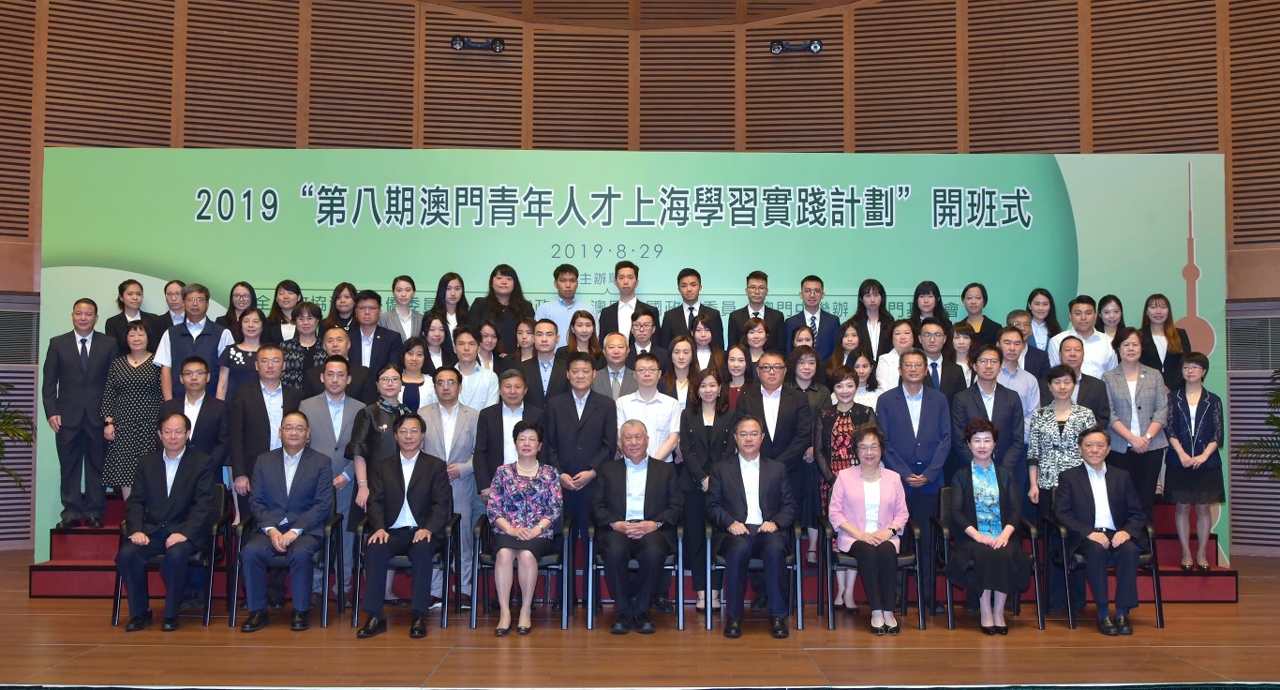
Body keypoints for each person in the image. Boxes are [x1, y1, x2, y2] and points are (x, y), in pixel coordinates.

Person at [115, 413, 215, 632]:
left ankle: (171, 613)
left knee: (176, 555)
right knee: (127, 554)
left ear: (187, 434)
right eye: (168, 432)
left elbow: (203, 504)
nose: (173, 437)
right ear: (159, 434)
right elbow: (135, 501)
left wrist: (184, 533)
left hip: (185, 532)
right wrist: (136, 530)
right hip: (152, 531)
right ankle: (140, 612)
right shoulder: (146, 462)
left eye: (178, 432)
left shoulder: (202, 462)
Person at [355, 414, 452, 639]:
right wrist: (378, 527)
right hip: (391, 531)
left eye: (414, 431)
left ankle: (419, 615)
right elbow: (375, 502)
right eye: (403, 431)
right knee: (375, 548)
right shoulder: (382, 466)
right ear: (395, 435)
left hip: (421, 531)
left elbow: (441, 504)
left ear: (422, 435)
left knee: (422, 549)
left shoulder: (435, 466)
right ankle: (375, 616)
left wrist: (428, 528)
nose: (409, 436)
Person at [239, 410, 334, 633]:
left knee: (300, 552)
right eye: (289, 428)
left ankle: (300, 611)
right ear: (280, 432)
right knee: (251, 551)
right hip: (270, 528)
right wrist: (271, 530)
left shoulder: (321, 462)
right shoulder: (264, 461)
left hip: (306, 530)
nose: (293, 432)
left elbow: (322, 504)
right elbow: (256, 501)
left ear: (308, 434)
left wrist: (295, 530)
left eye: (299, 428)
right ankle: (257, 611)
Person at [1053, 427, 1149, 636]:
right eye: (1088, 445)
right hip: (1087, 536)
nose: (1094, 450)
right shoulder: (1069, 477)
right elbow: (1061, 513)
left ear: (1108, 450)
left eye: (1099, 445)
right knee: (1096, 551)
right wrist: (1089, 533)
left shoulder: (1122, 476)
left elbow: (1137, 513)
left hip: (1117, 533)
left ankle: (1122, 613)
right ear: (1080, 449)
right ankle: (1103, 613)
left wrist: (1127, 532)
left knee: (1129, 550)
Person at [708, 415, 796, 639]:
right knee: (738, 551)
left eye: (754, 434)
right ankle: (734, 617)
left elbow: (789, 505)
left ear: (762, 437)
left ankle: (778, 617)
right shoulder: (720, 469)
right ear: (735, 438)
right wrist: (730, 523)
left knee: (775, 550)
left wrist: (776, 523)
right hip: (736, 532)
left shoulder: (777, 469)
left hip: (768, 530)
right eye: (744, 434)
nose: (749, 439)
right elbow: (712, 506)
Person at [876, 348, 950, 613]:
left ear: (925, 369)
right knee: (896, 539)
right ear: (900, 369)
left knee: (927, 541)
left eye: (919, 364)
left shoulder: (939, 399)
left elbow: (946, 439)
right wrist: (903, 472)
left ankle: (927, 595)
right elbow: (883, 440)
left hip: (930, 482)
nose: (914, 369)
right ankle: (896, 595)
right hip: (897, 481)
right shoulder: (886, 400)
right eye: (908, 364)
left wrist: (929, 473)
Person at [594, 419, 683, 635]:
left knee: (653, 553)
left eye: (638, 437)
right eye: (628, 438)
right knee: (614, 552)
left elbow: (677, 506)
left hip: (653, 529)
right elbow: (596, 505)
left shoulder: (665, 470)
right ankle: (624, 612)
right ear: (620, 443)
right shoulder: (607, 470)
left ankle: (642, 611)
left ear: (647, 440)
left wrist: (655, 523)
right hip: (618, 529)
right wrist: (616, 524)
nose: (633, 442)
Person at [948, 419, 1031, 635]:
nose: (982, 445)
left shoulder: (1006, 473)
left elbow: (1016, 509)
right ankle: (985, 610)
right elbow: (956, 512)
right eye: (977, 441)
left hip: (1003, 535)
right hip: (973, 538)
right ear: (969, 444)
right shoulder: (961, 476)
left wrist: (1005, 535)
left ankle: (999, 611)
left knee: (1005, 552)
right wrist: (979, 536)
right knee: (985, 554)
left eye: (987, 440)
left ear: (995, 444)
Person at [43, 297, 119, 528]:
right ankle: (71, 513)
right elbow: (49, 382)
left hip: (99, 416)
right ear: (72, 316)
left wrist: (110, 416)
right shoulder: (57, 343)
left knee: (97, 466)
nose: (83, 318)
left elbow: (113, 382)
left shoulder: (109, 344)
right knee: (69, 467)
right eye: (79, 313)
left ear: (96, 318)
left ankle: (95, 512)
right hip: (66, 417)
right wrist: (51, 411)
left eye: (88, 314)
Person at [1027, 364, 1096, 613]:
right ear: (1049, 386)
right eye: (1057, 382)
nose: (1062, 387)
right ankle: (1053, 600)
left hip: (1078, 486)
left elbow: (1093, 451)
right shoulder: (1039, 415)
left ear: (1074, 385)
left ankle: (1076, 601)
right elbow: (1033, 453)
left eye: (1067, 382)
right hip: (1047, 485)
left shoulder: (1086, 415)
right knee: (1052, 541)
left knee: (1076, 539)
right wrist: (1033, 484)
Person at [827, 423, 908, 634]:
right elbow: (835, 513)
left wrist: (888, 532)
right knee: (868, 552)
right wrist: (860, 535)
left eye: (873, 447)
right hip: (854, 537)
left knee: (887, 552)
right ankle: (876, 611)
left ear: (881, 449)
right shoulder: (844, 476)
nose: (869, 452)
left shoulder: (893, 478)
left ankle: (889, 612)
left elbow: (902, 513)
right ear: (856, 450)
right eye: (863, 447)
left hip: (885, 536)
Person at [486, 421, 563, 636]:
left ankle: (525, 610)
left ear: (540, 445)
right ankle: (504, 613)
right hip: (507, 531)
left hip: (538, 533)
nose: (527, 443)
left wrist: (536, 529)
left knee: (527, 555)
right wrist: (511, 529)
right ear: (515, 443)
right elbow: (493, 507)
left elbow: (555, 507)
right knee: (504, 554)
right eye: (522, 439)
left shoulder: (550, 473)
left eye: (532, 439)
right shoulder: (503, 472)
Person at [346, 363, 415, 592]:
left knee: (392, 531)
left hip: (401, 485)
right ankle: (374, 591)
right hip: (373, 486)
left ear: (401, 384)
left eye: (394, 379)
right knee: (374, 534)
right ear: (377, 385)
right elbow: (358, 451)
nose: (390, 384)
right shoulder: (368, 413)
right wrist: (362, 485)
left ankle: (387, 590)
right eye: (385, 379)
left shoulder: (407, 413)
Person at [417, 366, 481, 608]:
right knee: (431, 534)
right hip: (430, 488)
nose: (445, 387)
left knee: (463, 537)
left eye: (451, 382)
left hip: (461, 484)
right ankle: (435, 590)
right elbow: (416, 449)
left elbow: (480, 451)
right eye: (440, 383)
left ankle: (463, 589)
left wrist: (464, 468)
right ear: (434, 387)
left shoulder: (473, 415)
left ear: (459, 387)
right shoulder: (422, 414)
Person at [814, 367, 877, 611]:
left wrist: (852, 481)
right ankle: (840, 589)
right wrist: (833, 480)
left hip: (860, 483)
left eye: (849, 385)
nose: (844, 390)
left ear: (856, 386)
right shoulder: (825, 414)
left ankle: (849, 592)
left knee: (855, 533)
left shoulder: (866, 412)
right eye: (839, 385)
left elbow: (871, 448)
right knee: (837, 535)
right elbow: (819, 450)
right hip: (830, 483)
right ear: (833, 388)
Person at [299, 355, 361, 598]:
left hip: (347, 481)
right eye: (330, 374)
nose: (335, 379)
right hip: (315, 483)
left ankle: (343, 587)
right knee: (314, 532)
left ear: (349, 379)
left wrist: (348, 473)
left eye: (340, 375)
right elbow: (301, 445)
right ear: (322, 377)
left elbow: (363, 448)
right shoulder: (307, 406)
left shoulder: (360, 408)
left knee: (346, 536)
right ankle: (315, 588)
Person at [680, 367, 737, 612]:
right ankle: (701, 592)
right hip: (692, 486)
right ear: (697, 390)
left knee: (718, 539)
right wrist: (702, 477)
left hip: (721, 486)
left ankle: (715, 592)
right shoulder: (687, 415)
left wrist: (713, 480)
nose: (708, 390)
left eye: (712, 385)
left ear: (720, 388)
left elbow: (730, 450)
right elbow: (686, 449)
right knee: (695, 539)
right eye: (703, 386)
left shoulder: (730, 415)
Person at [1164, 352, 1225, 571]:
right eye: (1186, 367)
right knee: (1181, 507)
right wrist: (1181, 454)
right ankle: (1186, 553)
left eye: (1195, 367)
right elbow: (1169, 428)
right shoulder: (1173, 398)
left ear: (1204, 371)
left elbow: (1218, 433)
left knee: (1203, 508)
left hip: (1206, 461)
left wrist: (1203, 456)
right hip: (1178, 459)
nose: (1190, 371)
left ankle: (1201, 553)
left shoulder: (1213, 400)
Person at [1101, 327, 1168, 523]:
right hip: (1120, 448)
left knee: (1146, 500)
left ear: (1141, 348)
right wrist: (1132, 438)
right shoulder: (1108, 377)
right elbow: (1109, 413)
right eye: (1126, 344)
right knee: (1121, 499)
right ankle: (1124, 540)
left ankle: (1145, 540)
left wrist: (1146, 438)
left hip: (1151, 447)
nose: (1131, 349)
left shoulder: (1154, 375)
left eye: (1135, 344)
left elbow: (1162, 409)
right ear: (1118, 348)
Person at [228, 343, 304, 516]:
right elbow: (235, 436)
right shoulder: (242, 394)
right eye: (265, 361)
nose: (270, 365)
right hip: (252, 470)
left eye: (275, 361)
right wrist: (239, 474)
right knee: (251, 521)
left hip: (288, 468)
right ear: (257, 365)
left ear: (283, 365)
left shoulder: (295, 395)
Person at [101, 321, 163, 500]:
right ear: (126, 339)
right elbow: (109, 393)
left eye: (141, 334)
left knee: (151, 470)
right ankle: (131, 511)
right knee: (125, 471)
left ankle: (150, 511)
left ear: (148, 338)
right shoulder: (117, 364)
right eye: (132, 335)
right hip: (124, 426)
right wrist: (108, 422)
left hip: (150, 425)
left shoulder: (158, 362)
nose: (137, 338)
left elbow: (164, 394)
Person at [950, 344, 1026, 485]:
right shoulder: (962, 398)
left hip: (1006, 471)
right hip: (972, 472)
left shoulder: (1012, 397)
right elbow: (959, 439)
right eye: (983, 361)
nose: (989, 366)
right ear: (974, 366)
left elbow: (1018, 439)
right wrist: (979, 467)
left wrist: (1002, 469)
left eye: (994, 361)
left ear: (1000, 365)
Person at [154, 283, 234, 400]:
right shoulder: (170, 334)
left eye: (200, 300)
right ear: (183, 303)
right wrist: (169, 403)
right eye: (190, 299)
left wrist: (219, 404)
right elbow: (165, 371)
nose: (195, 304)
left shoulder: (222, 333)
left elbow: (225, 373)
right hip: (178, 402)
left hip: (211, 402)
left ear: (207, 304)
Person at [788, 345, 830, 563]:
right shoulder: (786, 389)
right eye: (802, 362)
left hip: (814, 453)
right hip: (790, 453)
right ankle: (790, 544)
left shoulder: (822, 392)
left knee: (814, 496)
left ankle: (812, 546)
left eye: (811, 363)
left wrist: (816, 447)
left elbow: (826, 422)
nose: (806, 367)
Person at [474, 369, 542, 496]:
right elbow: (480, 452)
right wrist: (484, 487)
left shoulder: (537, 414)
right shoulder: (487, 415)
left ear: (525, 390)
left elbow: (543, 450)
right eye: (508, 386)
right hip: (495, 484)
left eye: (517, 387)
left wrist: (539, 483)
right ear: (500, 390)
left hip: (530, 483)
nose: (512, 391)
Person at [158, 355, 228, 475]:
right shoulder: (168, 407)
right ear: (181, 378)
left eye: (199, 373)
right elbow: (160, 438)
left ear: (208, 377)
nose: (194, 378)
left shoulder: (220, 407)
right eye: (188, 373)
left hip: (209, 472)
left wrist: (207, 467)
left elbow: (224, 442)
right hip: (173, 471)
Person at [468, 264, 534, 355]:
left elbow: (530, 336)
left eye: (509, 279)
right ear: (492, 283)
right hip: (486, 357)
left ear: (515, 284)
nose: (504, 282)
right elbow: (471, 334)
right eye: (499, 278)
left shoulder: (525, 307)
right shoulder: (480, 304)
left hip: (516, 358)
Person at [301, 327, 377, 404]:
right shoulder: (312, 375)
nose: (335, 344)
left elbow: (370, 406)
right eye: (330, 341)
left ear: (349, 344)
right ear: (324, 346)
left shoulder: (363, 373)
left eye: (339, 340)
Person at [1051, 334, 1112, 426]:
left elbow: (1103, 419)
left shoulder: (1097, 386)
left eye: (1077, 350)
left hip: (1089, 434)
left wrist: (1084, 432)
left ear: (1083, 355)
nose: (1072, 354)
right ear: (1059, 355)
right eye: (1067, 350)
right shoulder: (1045, 384)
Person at [659, 268, 724, 350]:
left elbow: (718, 346)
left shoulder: (713, 315)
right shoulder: (670, 316)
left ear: (700, 287)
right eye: (684, 286)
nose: (689, 289)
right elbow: (665, 348)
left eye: (693, 285)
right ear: (679, 289)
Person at [535, 264, 597, 348]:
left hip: (581, 355)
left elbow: (595, 338)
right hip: (552, 356)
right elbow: (538, 337)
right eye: (563, 280)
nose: (568, 285)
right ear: (555, 284)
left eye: (572, 280)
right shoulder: (545, 309)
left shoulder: (588, 309)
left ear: (577, 283)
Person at [1140, 293, 1192, 390]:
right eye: (1153, 307)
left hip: (1177, 390)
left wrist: (1170, 387)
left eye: (1163, 307)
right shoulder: (1139, 336)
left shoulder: (1181, 334)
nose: (1158, 311)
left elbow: (1186, 362)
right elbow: (1138, 365)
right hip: (1147, 389)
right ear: (1146, 312)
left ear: (1169, 311)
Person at [997, 326, 1040, 441]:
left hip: (1021, 442)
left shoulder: (1030, 380)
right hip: (989, 442)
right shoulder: (987, 376)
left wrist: (1018, 437)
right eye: (1007, 343)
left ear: (1022, 347)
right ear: (998, 345)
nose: (1012, 348)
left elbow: (1033, 415)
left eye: (1017, 344)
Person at [727, 270, 785, 352]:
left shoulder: (777, 317)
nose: (757, 292)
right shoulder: (735, 317)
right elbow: (732, 347)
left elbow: (781, 347)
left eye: (761, 288)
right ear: (746, 291)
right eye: (752, 287)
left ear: (766, 291)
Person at [785, 275, 839, 361]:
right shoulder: (791, 322)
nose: (812, 295)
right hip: (799, 368)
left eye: (816, 291)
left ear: (822, 295)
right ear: (801, 295)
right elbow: (788, 352)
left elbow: (837, 351)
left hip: (827, 369)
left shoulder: (833, 321)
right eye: (807, 291)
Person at [597, 260, 655, 342]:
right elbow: (602, 343)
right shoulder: (606, 313)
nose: (625, 282)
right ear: (615, 282)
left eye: (630, 277)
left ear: (637, 282)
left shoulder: (651, 311)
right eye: (621, 278)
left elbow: (656, 342)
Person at [217, 308, 265, 400]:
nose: (250, 325)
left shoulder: (269, 353)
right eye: (246, 321)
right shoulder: (230, 351)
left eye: (255, 321)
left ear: (263, 325)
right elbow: (222, 386)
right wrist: (219, 406)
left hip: (261, 404)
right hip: (233, 404)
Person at [519, 319, 568, 409]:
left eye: (549, 334)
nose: (544, 339)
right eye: (539, 334)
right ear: (533, 338)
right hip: (531, 417)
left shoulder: (567, 367)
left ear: (557, 338)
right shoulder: (522, 368)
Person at [351, 290, 404, 373]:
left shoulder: (392, 338)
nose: (367, 312)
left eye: (372, 308)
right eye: (362, 308)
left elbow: (394, 370)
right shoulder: (347, 337)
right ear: (356, 311)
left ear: (379, 311)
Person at [104, 278, 161, 354]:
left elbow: (157, 347)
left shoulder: (153, 319)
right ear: (121, 297)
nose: (135, 298)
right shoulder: (112, 323)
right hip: (122, 361)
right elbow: (113, 350)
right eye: (130, 294)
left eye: (138, 294)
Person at [451, 326, 499, 410]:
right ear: (455, 349)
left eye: (471, 344)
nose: (466, 348)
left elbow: (491, 412)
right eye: (461, 344)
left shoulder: (490, 377)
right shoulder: (446, 378)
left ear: (479, 349)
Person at [280, 302, 326, 389]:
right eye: (301, 318)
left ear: (318, 320)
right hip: (291, 395)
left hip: (319, 395)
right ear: (295, 321)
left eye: (310, 318)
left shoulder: (325, 347)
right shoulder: (285, 347)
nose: (305, 322)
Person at [919, 317, 965, 403]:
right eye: (927, 335)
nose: (932, 340)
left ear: (944, 339)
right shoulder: (911, 368)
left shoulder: (956, 370)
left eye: (937, 335)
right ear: (920, 339)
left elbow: (961, 403)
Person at [425, 272, 469, 352]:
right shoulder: (431, 316)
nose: (453, 293)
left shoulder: (468, 316)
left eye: (457, 289)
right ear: (442, 290)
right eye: (448, 289)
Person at [852, 278, 894, 361]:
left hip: (885, 366)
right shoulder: (854, 323)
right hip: (861, 367)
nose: (872, 300)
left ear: (882, 298)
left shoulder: (890, 323)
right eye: (868, 296)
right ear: (861, 299)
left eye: (876, 295)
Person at [1006, 309, 1050, 380]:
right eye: (1017, 324)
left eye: (1026, 325)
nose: (1022, 328)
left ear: (1031, 330)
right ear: (1007, 328)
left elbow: (1044, 383)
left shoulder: (1041, 357)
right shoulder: (998, 354)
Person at [874, 319, 917, 391]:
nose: (902, 337)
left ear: (913, 336)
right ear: (892, 337)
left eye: (906, 333)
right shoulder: (885, 359)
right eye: (897, 333)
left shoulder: (922, 357)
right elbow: (883, 388)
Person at [593, 332, 637, 401]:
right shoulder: (594, 378)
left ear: (627, 351)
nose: (616, 351)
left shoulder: (637, 377)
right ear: (604, 351)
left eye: (620, 347)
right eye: (611, 347)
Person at [379, 275, 423, 343]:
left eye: (407, 290)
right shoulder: (383, 318)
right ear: (393, 293)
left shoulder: (421, 319)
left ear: (413, 292)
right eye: (399, 290)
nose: (403, 294)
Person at [659, 335, 696, 408]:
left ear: (692, 356)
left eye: (686, 352)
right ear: (671, 356)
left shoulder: (699, 382)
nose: (681, 357)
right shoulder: (661, 383)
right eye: (676, 352)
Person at [960, 283, 1000, 349]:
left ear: (984, 301)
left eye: (978, 298)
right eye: (969, 298)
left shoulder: (995, 328)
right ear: (964, 301)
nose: (973, 302)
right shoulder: (957, 329)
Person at [262, 279, 302, 344]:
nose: (286, 297)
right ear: (276, 298)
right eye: (281, 293)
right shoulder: (267, 323)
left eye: (290, 293)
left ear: (298, 297)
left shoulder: (306, 322)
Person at [397, 337, 431, 411]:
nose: (414, 358)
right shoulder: (394, 380)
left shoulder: (432, 383)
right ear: (403, 356)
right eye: (410, 353)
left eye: (419, 354)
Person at [1026, 288, 1063, 353]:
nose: (1041, 308)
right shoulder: (1022, 329)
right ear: (1030, 306)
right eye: (1037, 304)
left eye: (1045, 304)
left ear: (1050, 306)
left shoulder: (1057, 331)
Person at [724, 344, 754, 410]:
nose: (736, 365)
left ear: (747, 363)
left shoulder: (755, 389)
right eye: (732, 360)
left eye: (741, 360)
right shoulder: (720, 388)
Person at [951, 321, 975, 386]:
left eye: (966, 337)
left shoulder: (977, 363)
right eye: (957, 337)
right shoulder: (945, 364)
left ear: (971, 341)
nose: (961, 342)